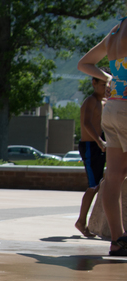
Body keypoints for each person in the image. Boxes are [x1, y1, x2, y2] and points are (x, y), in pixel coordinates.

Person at [78, 15, 127, 256]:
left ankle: (118, 240)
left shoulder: (117, 31)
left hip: (114, 108)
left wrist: (109, 78)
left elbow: (85, 63)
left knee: (114, 176)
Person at [76, 77, 109, 238]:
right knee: (93, 186)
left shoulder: (103, 102)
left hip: (99, 146)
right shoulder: (90, 101)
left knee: (101, 185)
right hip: (90, 146)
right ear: (94, 84)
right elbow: (87, 123)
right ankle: (81, 222)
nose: (105, 88)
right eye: (103, 85)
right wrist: (100, 141)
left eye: (107, 85)